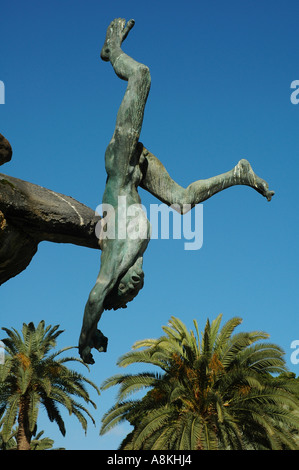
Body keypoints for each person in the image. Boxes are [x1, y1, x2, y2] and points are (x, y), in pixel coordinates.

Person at [78, 18, 274, 364]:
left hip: (123, 164)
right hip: (135, 174)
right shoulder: (132, 252)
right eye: (135, 293)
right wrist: (95, 331)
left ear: (117, 284)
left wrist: (85, 340)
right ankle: (237, 174)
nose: (135, 287)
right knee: (183, 202)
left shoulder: (113, 259)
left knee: (141, 76)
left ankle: (113, 50)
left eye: (127, 291)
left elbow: (96, 298)